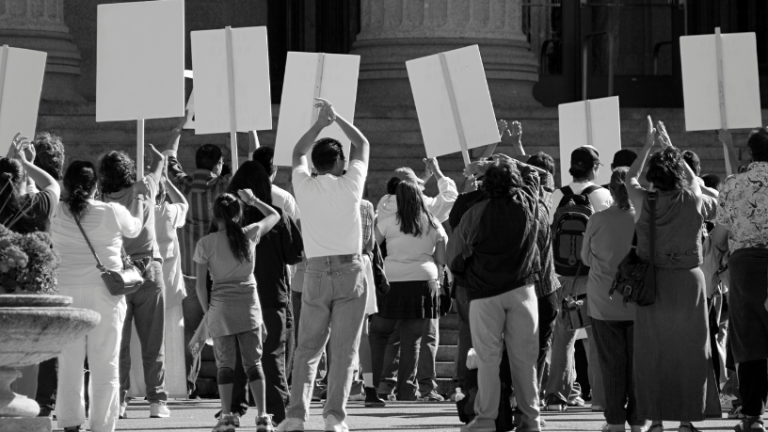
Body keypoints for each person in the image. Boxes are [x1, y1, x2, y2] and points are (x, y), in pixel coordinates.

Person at [277, 98, 369, 432]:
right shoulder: (352, 183)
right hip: (349, 271)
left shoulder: (304, 184)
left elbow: (296, 153)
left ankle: (296, 416)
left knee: (307, 350)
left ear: (316, 164)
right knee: (344, 351)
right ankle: (334, 418)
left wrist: (319, 123)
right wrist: (337, 118)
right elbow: (363, 143)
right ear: (341, 161)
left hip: (314, 271)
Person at [625, 116, 713, 432]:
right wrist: (670, 147)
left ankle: (657, 418)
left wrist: (647, 145)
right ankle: (687, 420)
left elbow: (629, 178)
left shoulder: (643, 200)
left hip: (654, 281)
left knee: (653, 351)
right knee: (691, 351)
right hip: (689, 280)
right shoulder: (693, 197)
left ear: (653, 177)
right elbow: (693, 180)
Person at [448, 157, 543, 432]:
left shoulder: (475, 212)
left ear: (486, 184)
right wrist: (507, 161)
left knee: (488, 359)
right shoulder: (528, 201)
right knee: (525, 361)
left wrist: (468, 277)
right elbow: (537, 174)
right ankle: (531, 420)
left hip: (484, 292)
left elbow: (453, 256)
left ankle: (487, 418)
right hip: (523, 290)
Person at [53, 160, 142, 432]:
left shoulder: (56, 212)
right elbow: (135, 229)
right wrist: (139, 196)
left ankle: (70, 422)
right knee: (106, 364)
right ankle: (102, 426)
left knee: (69, 364)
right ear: (96, 186)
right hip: (105, 294)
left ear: (66, 185)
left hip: (66, 294)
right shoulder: (112, 211)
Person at [224, 161, 303, 425]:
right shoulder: (278, 216)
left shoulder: (228, 220)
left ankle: (233, 409)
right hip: (272, 294)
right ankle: (278, 414)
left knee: (237, 356)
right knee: (272, 356)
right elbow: (295, 256)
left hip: (236, 295)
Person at [194, 191, 280, 432]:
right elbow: (274, 215)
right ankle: (263, 417)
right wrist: (254, 201)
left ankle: (227, 417)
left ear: (215, 215)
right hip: (248, 306)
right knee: (254, 363)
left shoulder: (205, 244)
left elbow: (201, 286)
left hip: (220, 308)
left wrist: (207, 313)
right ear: (238, 213)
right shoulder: (250, 234)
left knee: (225, 365)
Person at [99, 144, 169, 418]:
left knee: (119, 343)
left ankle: (120, 400)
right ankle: (157, 402)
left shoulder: (102, 201)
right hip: (149, 270)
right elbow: (160, 163)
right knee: (153, 343)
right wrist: (154, 156)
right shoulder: (144, 190)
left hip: (116, 274)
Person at [374, 157, 452, 402]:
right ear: (419, 195)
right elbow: (441, 255)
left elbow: (371, 246)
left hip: (393, 280)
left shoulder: (385, 213)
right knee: (414, 340)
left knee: (386, 335)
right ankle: (409, 390)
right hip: (423, 281)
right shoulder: (431, 220)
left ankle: (380, 385)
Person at [164, 116, 231, 398]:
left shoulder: (182, 184)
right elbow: (248, 164)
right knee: (227, 333)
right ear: (218, 164)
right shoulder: (223, 187)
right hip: (219, 273)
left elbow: (167, 158)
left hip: (190, 272)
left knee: (191, 332)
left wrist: (177, 129)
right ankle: (231, 386)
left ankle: (188, 385)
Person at [544, 146, 611, 411]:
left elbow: (547, 232)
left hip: (561, 274)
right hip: (592, 275)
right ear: (594, 167)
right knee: (596, 336)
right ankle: (600, 397)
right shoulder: (603, 195)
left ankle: (555, 396)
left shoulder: (558, 194)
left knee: (563, 335)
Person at [581, 167, 645, 432]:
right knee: (637, 364)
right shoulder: (644, 219)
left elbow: (585, 259)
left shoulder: (597, 220)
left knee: (611, 363)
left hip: (603, 302)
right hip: (639, 301)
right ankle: (638, 421)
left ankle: (615, 421)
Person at [714, 127, 768, 432]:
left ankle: (751, 417)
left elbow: (720, 238)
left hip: (746, 268)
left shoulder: (735, 185)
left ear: (750, 153)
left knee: (750, 343)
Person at [154, 168, 189, 398]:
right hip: (170, 285)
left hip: (144, 285)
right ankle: (172, 386)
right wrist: (166, 181)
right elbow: (184, 203)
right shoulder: (168, 211)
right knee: (171, 341)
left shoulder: (136, 212)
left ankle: (139, 387)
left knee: (142, 342)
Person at [376, 157, 458, 224]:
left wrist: (426, 175)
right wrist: (436, 171)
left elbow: (408, 189)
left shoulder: (384, 204)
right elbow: (450, 199)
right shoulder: (419, 205)